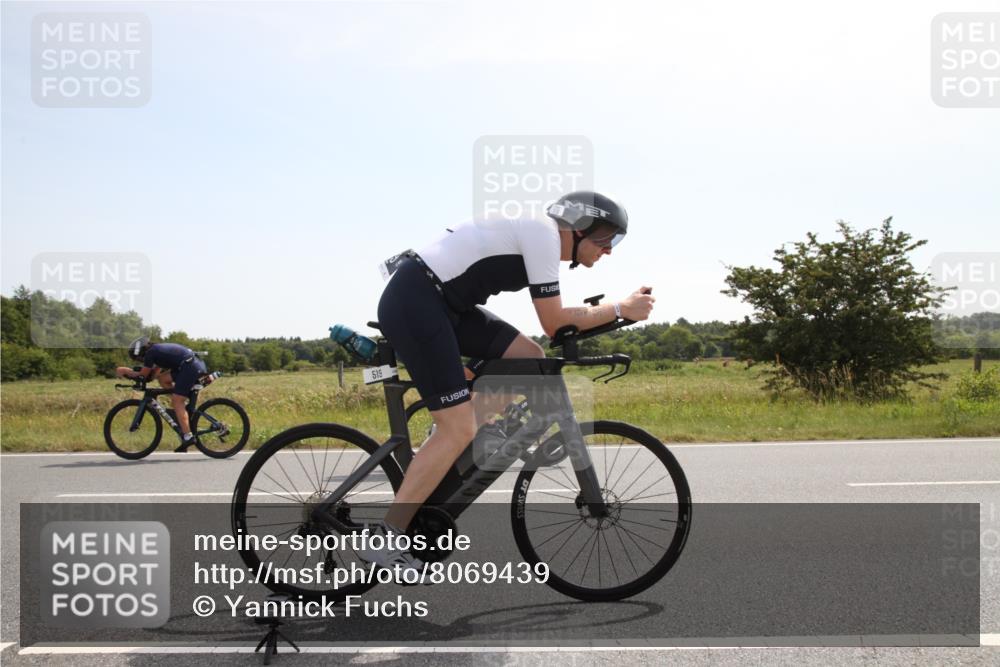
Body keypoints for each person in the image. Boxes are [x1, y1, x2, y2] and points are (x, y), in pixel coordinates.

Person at [358, 190, 655, 576]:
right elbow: (554, 321)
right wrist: (620, 308)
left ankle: (463, 434)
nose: (609, 250)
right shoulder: (545, 234)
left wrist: (618, 314)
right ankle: (388, 535)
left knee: (528, 357)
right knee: (457, 427)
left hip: (446, 305)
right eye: (606, 239)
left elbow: (549, 334)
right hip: (417, 300)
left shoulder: (542, 236)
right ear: (580, 227)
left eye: (615, 242)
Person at [116, 337, 208, 452]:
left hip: (190, 367)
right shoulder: (157, 351)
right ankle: (181, 409)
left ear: (141, 352)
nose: (141, 361)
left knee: (177, 401)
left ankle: (187, 435)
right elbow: (153, 376)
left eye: (139, 358)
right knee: (163, 380)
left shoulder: (151, 353)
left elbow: (142, 376)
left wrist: (125, 371)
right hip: (192, 365)